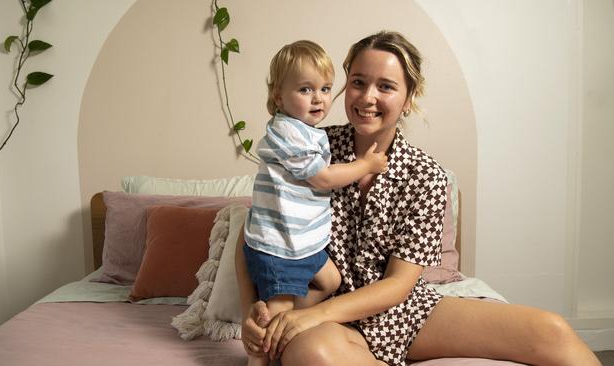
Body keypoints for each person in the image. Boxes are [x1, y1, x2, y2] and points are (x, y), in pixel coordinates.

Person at [235, 31, 602, 366]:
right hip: (331, 317)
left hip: (405, 314)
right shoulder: (310, 150)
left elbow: (398, 284)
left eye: (386, 86)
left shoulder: (426, 176)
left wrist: (310, 316)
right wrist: (252, 308)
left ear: (410, 97)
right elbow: (258, 229)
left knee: (551, 329)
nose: (368, 97)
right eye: (358, 83)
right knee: (311, 354)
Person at [239, 40, 389, 366]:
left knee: (331, 281)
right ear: (279, 97)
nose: (318, 98)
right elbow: (321, 178)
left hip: (304, 245)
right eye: (305, 89)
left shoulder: (309, 131)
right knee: (273, 320)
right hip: (281, 247)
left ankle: (287, 319)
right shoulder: (288, 131)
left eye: (324, 88)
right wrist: (366, 165)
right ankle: (261, 356)